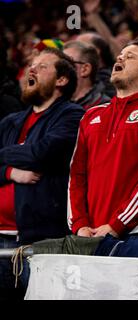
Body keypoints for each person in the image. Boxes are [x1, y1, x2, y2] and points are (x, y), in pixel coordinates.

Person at [68, 38, 138, 240]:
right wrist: (79, 224)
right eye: (120, 56)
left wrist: (118, 223)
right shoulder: (91, 115)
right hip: (90, 234)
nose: (120, 58)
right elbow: (76, 175)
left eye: (130, 56)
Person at [0, 48, 84, 297]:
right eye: (31, 65)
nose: (31, 69)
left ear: (62, 80)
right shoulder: (11, 121)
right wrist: (11, 173)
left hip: (41, 240)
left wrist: (4, 154)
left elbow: (43, 153)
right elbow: (33, 154)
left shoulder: (72, 115)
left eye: (42, 66)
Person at [63, 41, 110, 110]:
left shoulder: (104, 108)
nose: (59, 68)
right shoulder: (54, 102)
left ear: (85, 69)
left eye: (66, 63)